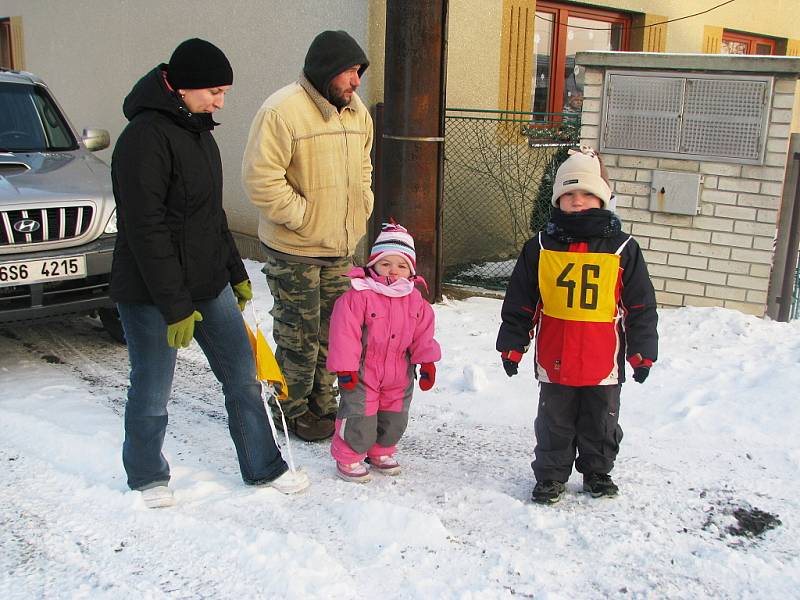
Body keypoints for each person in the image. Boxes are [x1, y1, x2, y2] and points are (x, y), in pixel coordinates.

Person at [111, 38, 309, 508]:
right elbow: (146, 230)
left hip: (206, 283)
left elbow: (210, 216)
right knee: (153, 385)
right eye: (214, 91)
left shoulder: (199, 131)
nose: (220, 101)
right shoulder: (143, 137)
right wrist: (175, 305)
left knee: (243, 377)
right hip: (150, 292)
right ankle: (146, 476)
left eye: (224, 92)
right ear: (182, 86)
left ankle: (263, 465)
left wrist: (234, 272)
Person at [496, 146, 658, 504]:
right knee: (554, 420)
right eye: (569, 193)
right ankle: (551, 476)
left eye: (586, 193)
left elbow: (641, 305)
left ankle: (598, 471)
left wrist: (643, 351)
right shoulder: (539, 247)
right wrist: (513, 343)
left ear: (602, 197)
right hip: (557, 354)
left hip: (603, 359)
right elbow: (522, 301)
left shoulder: (623, 249)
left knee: (601, 420)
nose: (578, 200)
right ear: (558, 200)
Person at [242, 30, 374, 442]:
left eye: (358, 73)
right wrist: (305, 216)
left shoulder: (357, 113)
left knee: (335, 335)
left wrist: (362, 204)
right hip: (294, 249)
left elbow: (365, 168)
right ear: (324, 71)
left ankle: (323, 402)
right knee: (299, 338)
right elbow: (261, 180)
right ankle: (290, 409)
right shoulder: (282, 111)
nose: (356, 81)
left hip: (339, 249)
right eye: (349, 72)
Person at [325, 222, 441, 482]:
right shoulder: (358, 296)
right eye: (385, 263)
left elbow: (423, 335)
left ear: (410, 269)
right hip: (364, 371)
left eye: (401, 265)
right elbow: (345, 334)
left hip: (400, 372)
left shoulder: (415, 301)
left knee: (394, 416)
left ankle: (381, 450)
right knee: (360, 415)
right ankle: (349, 455)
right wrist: (346, 368)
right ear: (373, 264)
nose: (393, 271)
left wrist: (427, 364)